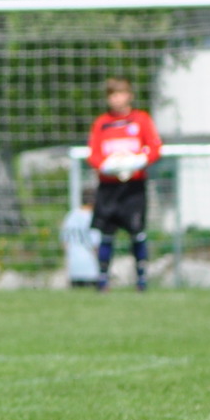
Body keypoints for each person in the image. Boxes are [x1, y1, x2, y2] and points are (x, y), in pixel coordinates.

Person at [85, 77, 161, 291]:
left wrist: (136, 162)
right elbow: (94, 155)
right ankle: (103, 280)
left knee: (137, 231)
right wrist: (109, 166)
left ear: (129, 95)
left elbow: (155, 149)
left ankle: (141, 280)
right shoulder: (101, 123)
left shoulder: (141, 120)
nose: (116, 99)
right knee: (106, 233)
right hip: (109, 188)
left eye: (119, 94)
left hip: (133, 187)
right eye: (111, 95)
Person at [59, 190, 101, 288]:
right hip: (91, 269)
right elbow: (96, 245)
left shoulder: (71, 215)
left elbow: (64, 241)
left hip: (74, 268)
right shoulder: (93, 218)